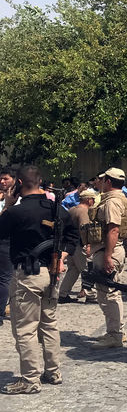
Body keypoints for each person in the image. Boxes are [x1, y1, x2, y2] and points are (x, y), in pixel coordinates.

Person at [0, 165, 79, 393]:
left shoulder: (17, 212)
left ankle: (29, 379)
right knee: (49, 325)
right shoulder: (56, 209)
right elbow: (73, 236)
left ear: (19, 184)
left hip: (27, 274)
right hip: (51, 274)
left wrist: (8, 206)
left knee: (25, 329)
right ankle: (53, 372)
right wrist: (62, 256)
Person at [89, 168, 127, 350]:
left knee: (108, 294)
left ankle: (115, 334)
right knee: (110, 292)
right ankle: (114, 331)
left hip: (109, 251)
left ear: (108, 181)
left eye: (102, 179)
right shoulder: (123, 199)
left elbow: (114, 229)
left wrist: (108, 255)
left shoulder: (112, 201)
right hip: (114, 249)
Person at [58, 190, 97, 303]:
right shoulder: (83, 211)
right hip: (80, 244)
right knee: (86, 269)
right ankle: (91, 295)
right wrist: (88, 245)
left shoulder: (72, 209)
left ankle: (63, 293)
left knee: (73, 270)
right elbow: (84, 229)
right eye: (93, 199)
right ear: (88, 199)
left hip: (70, 244)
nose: (94, 201)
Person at [0, 166, 17, 318]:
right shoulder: (4, 198)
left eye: (6, 178)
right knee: (6, 277)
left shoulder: (19, 198)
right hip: (3, 241)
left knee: (8, 277)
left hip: (11, 240)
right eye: (1, 178)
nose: (2, 181)